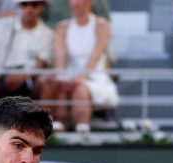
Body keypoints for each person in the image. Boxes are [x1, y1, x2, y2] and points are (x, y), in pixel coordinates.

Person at [40, 0, 117, 132]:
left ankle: (82, 129)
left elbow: (96, 56)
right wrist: (62, 78)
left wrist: (80, 78)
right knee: (55, 85)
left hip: (95, 77)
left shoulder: (102, 25)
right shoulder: (62, 27)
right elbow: (60, 60)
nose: (75, 3)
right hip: (70, 75)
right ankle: (53, 126)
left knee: (80, 90)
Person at [0, 0, 53, 130]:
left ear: (42, 7)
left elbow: (42, 63)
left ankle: (44, 130)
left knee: (47, 81)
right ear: (19, 7)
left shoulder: (47, 34)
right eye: (24, 4)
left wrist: (24, 75)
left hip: (29, 79)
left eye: (34, 4)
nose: (29, 8)